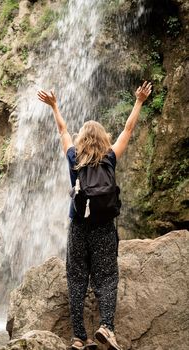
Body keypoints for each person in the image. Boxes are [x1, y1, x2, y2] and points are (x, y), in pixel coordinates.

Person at [37, 81, 152, 350]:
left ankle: (78, 337)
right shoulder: (110, 157)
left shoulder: (74, 157)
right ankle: (106, 328)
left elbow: (62, 129)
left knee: (77, 279)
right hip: (104, 228)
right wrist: (139, 101)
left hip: (78, 226)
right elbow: (128, 129)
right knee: (107, 277)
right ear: (103, 139)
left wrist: (54, 106)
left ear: (82, 140)